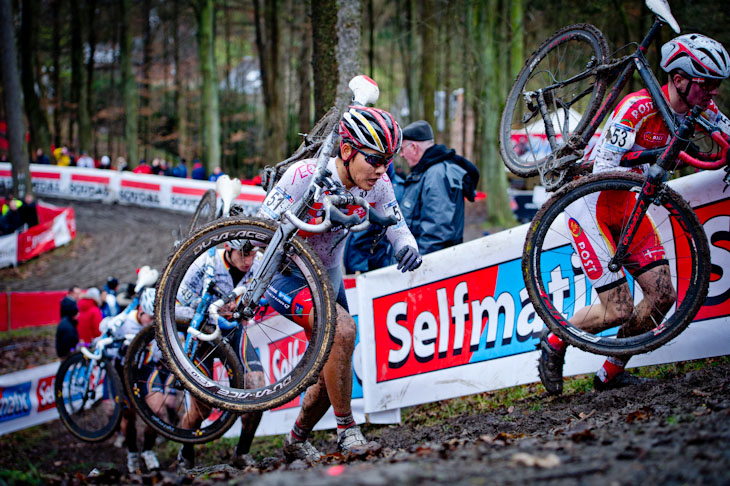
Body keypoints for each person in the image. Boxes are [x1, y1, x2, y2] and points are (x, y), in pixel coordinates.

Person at [538, 33, 730, 395]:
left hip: (631, 206)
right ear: (679, 79)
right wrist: (647, 168)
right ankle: (554, 340)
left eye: (717, 85)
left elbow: (727, 132)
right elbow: (603, 170)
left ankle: (610, 374)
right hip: (593, 204)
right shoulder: (637, 107)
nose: (714, 92)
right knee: (618, 310)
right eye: (707, 84)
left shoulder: (700, 109)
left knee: (662, 297)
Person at [258, 105, 422, 462]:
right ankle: (348, 431)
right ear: (347, 151)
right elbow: (259, 228)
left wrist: (408, 247)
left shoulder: (378, 183)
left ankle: (297, 439)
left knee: (329, 363)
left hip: (328, 275)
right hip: (287, 273)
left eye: (388, 161)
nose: (382, 170)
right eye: (375, 159)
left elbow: (397, 225)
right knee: (344, 330)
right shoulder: (304, 174)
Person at [174, 240, 266, 472]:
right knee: (202, 408)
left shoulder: (258, 263)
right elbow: (174, 307)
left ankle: (242, 452)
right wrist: (208, 312)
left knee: (259, 390)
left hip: (234, 333)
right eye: (244, 254)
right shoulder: (204, 265)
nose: (249, 260)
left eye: (253, 254)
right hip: (203, 337)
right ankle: (185, 452)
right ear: (228, 248)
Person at [399, 120, 480, 255]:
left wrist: (419, 265)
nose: (401, 154)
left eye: (402, 149)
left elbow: (437, 232)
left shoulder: (436, 175)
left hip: (427, 266)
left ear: (414, 147)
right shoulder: (427, 172)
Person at [113, 288, 163, 474]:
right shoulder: (124, 322)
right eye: (150, 318)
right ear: (141, 311)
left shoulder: (156, 322)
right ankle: (132, 453)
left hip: (146, 369)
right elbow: (104, 333)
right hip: (124, 372)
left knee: (157, 411)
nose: (153, 322)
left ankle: (148, 451)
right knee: (129, 416)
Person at [343, 162, 405, 274]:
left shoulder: (389, 191)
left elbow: (366, 234)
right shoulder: (367, 186)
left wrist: (359, 267)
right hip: (363, 261)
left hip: (372, 265)